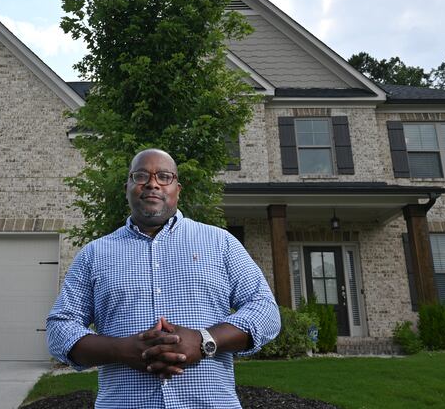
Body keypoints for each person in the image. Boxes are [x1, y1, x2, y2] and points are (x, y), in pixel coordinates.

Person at [47, 148, 281, 408]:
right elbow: (60, 328)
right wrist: (120, 350)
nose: (152, 183)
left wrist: (205, 340)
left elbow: (265, 310)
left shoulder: (221, 243)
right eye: (141, 176)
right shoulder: (94, 254)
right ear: (127, 187)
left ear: (177, 189)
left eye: (164, 176)